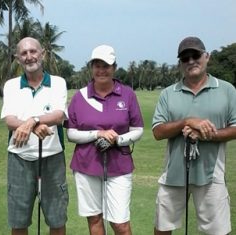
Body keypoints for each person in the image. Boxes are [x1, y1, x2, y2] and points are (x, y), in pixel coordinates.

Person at [152, 36, 236, 235]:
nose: (191, 61)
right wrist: (186, 122)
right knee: (162, 228)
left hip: (212, 175)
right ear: (180, 63)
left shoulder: (227, 90)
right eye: (185, 58)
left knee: (217, 231)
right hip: (173, 174)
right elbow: (157, 131)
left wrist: (205, 134)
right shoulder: (168, 93)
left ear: (207, 57)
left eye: (195, 55)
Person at [65, 45, 144, 235]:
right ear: (91, 68)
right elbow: (71, 134)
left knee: (120, 224)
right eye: (97, 65)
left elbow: (138, 130)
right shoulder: (80, 96)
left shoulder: (127, 94)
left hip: (119, 166)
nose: (101, 70)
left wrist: (118, 139)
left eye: (106, 65)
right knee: (94, 219)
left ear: (114, 67)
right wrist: (97, 134)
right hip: (86, 165)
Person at [1, 37, 69, 235]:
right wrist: (34, 125)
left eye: (33, 51)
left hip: (52, 157)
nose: (29, 56)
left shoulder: (58, 82)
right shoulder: (11, 85)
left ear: (43, 54)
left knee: (57, 218)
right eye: (23, 53)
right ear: (17, 58)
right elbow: (10, 120)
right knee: (19, 219)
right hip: (19, 158)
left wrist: (33, 120)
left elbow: (58, 115)